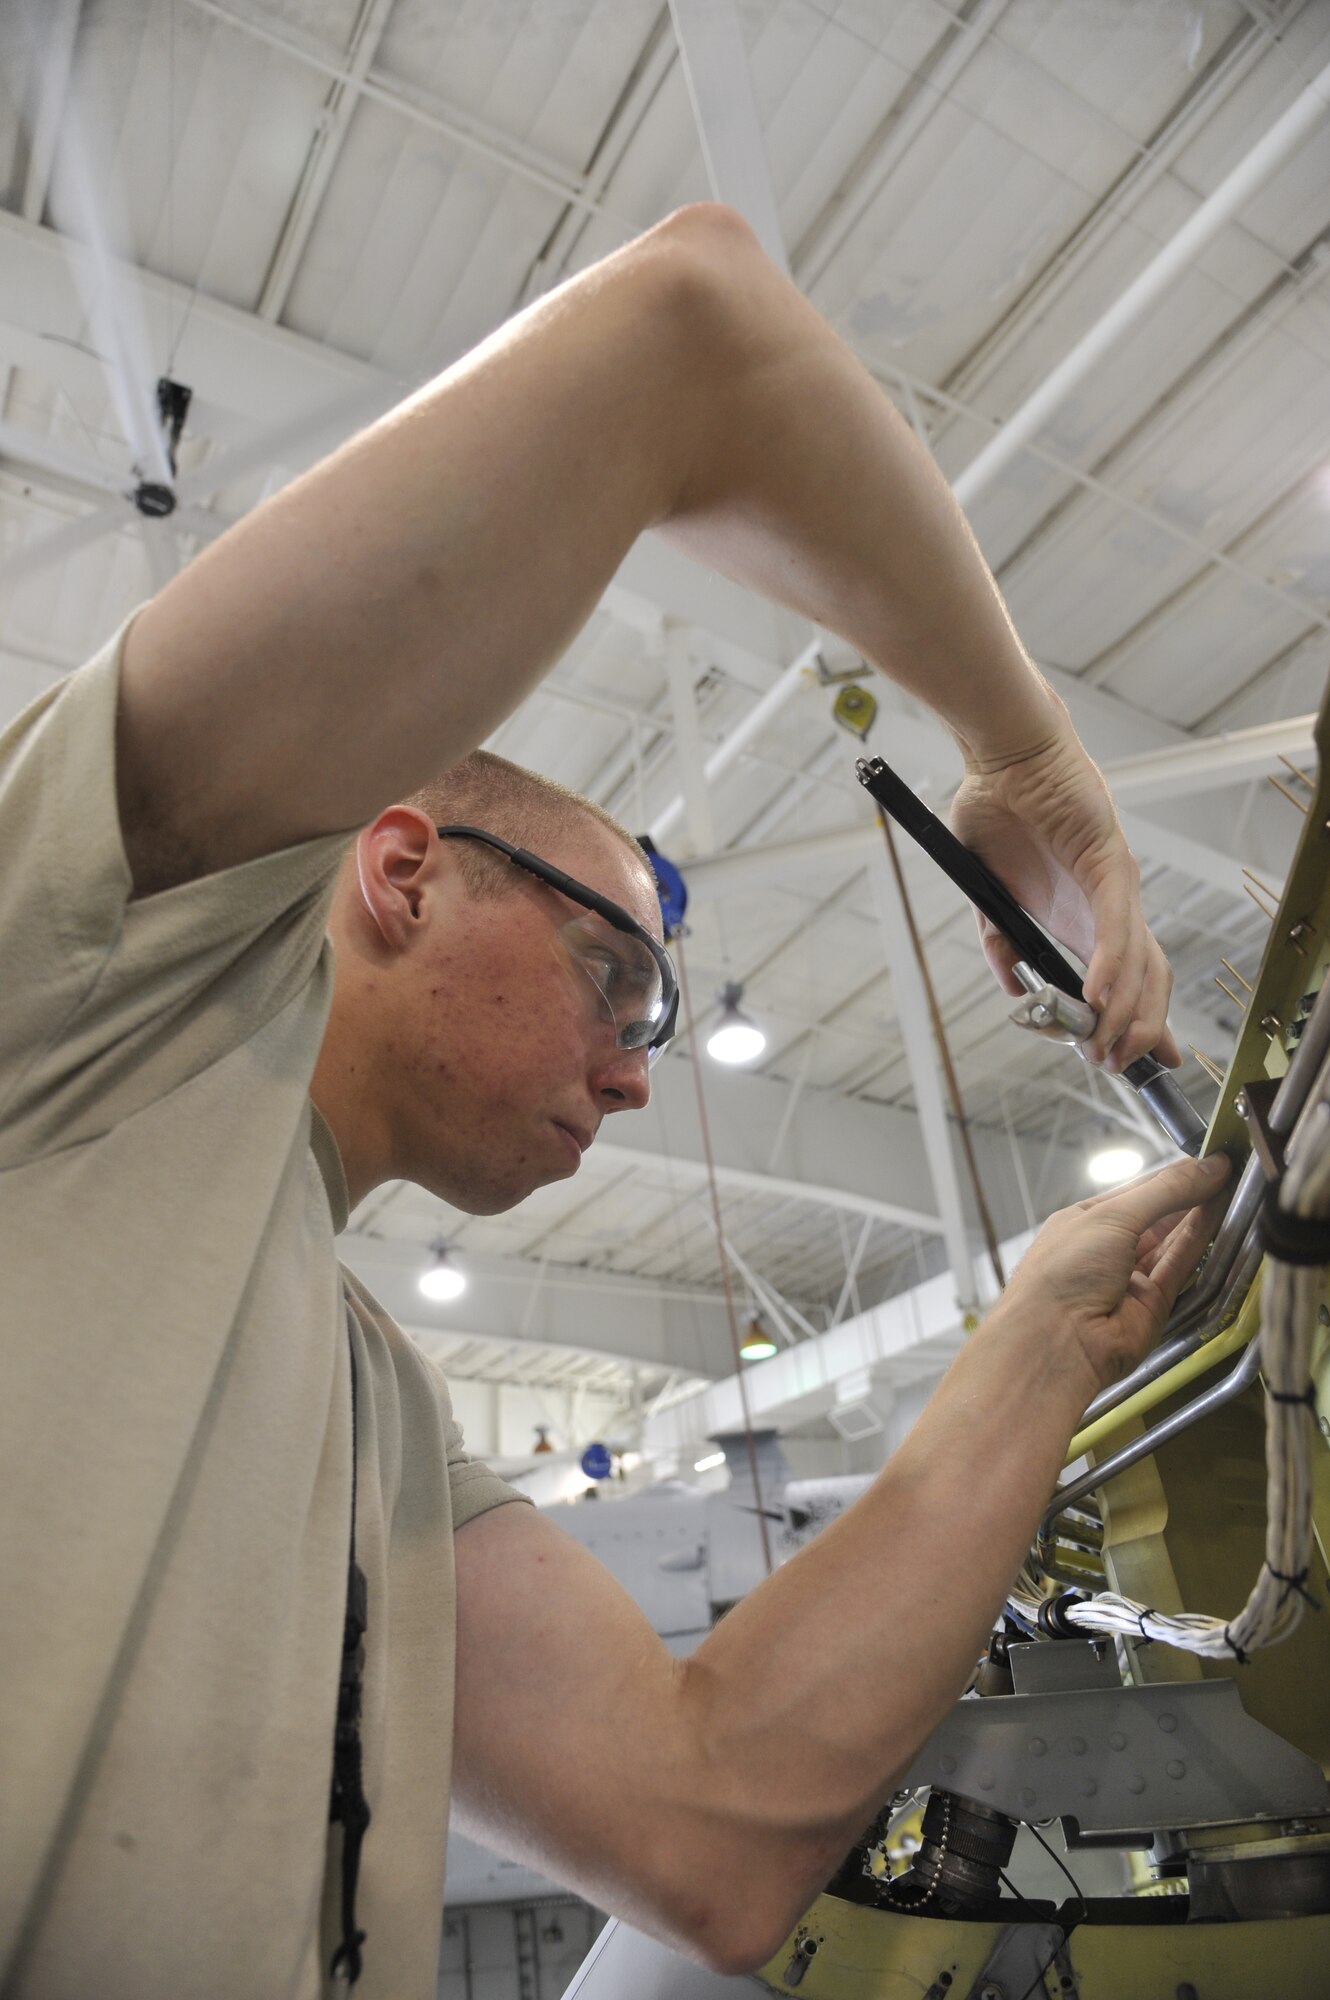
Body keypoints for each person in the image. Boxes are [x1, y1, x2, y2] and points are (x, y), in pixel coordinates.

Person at [0, 202, 1229, 1998]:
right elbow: (690, 330)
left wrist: (1048, 1331)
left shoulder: (364, 1416)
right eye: (618, 978)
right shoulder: (84, 983)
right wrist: (1023, 752)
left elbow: (705, 1821)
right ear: (404, 875)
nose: (643, 1070)